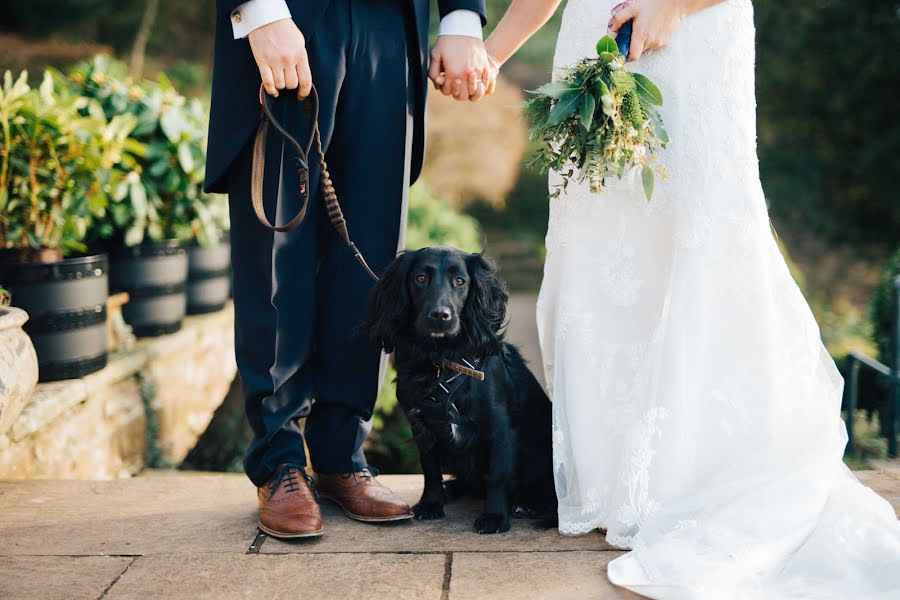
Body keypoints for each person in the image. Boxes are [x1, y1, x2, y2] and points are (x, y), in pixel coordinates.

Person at [484, 0, 900, 596]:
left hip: (698, 36)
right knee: (602, 247)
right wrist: (493, 53)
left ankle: (695, 472)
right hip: (592, 41)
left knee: (702, 234)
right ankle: (616, 480)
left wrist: (673, 7)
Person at [204, 0, 496, 539]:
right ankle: (280, 460)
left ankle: (342, 454)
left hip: (390, 27)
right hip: (291, 16)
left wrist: (460, 16)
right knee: (277, 252)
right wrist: (259, 11)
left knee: (369, 256)